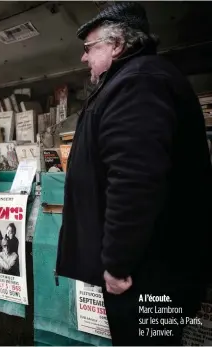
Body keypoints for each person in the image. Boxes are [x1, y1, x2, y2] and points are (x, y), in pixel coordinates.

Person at [55, 3, 212, 346]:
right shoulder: (135, 78)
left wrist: (117, 263)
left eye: (89, 48)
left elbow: (135, 181)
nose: (84, 58)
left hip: (149, 274)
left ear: (117, 44)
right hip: (153, 267)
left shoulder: (138, 82)